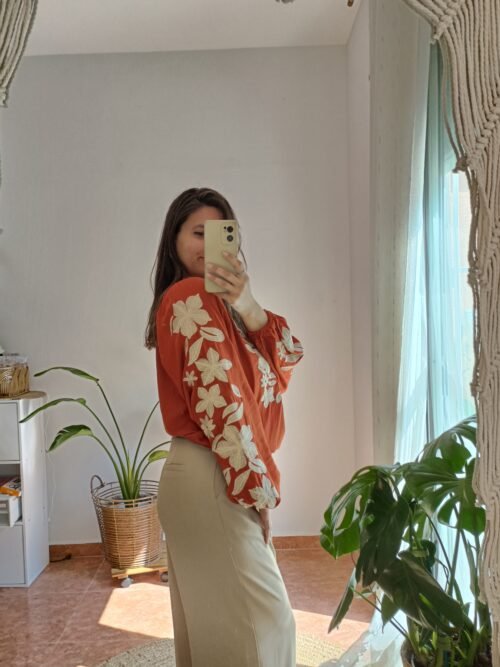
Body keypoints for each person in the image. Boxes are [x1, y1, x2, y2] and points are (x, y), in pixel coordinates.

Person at [145, 187, 304, 667]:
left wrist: (249, 304)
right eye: (198, 233)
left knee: (219, 633)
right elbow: (223, 406)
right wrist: (256, 489)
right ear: (174, 240)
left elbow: (288, 358)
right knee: (265, 626)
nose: (207, 245)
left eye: (220, 234)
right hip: (216, 474)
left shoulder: (227, 310)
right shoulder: (189, 297)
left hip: (212, 476)